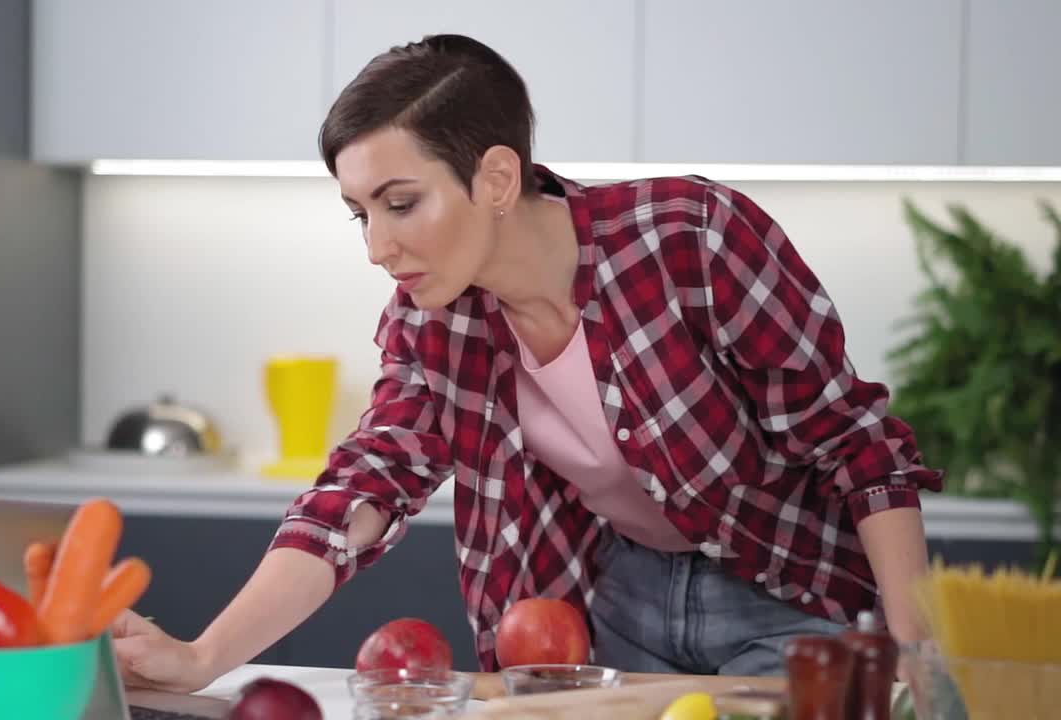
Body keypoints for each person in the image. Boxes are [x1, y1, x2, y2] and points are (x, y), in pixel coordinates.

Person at [111, 34, 942, 690]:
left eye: (400, 204)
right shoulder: (433, 322)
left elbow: (857, 446)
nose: (376, 245)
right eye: (357, 213)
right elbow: (365, 487)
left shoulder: (691, 238)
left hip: (788, 598)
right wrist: (204, 656)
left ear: (498, 177)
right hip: (618, 609)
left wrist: (917, 652)